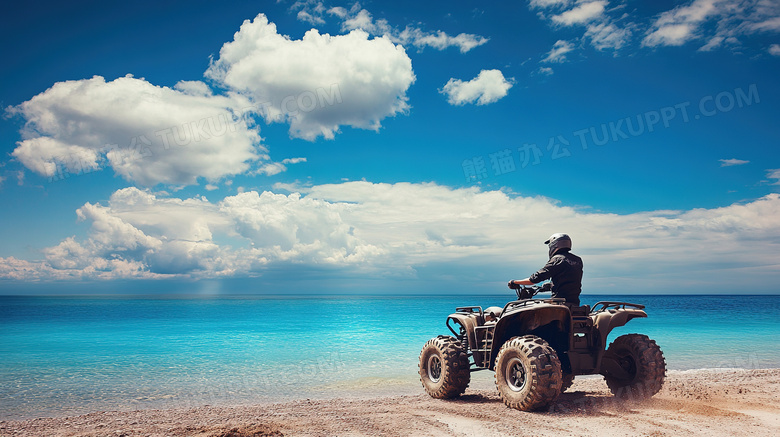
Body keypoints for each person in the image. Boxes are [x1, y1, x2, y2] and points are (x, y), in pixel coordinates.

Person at [508, 233, 583, 306]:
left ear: (554, 245)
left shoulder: (557, 260)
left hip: (559, 304)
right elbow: (568, 280)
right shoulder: (577, 260)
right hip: (574, 303)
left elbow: (534, 279)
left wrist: (515, 282)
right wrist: (550, 286)